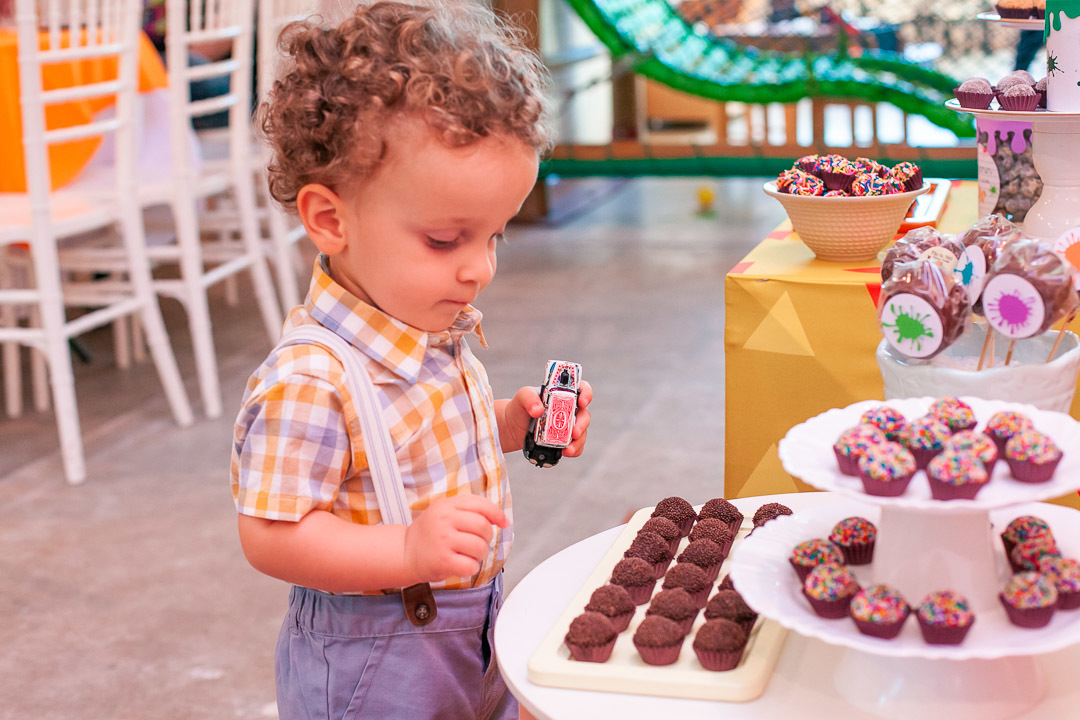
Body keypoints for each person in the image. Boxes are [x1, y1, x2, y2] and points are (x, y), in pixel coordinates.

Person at [230, 2, 592, 718]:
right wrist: (404, 553)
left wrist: (510, 427)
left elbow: (409, 443)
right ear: (330, 220)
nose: (478, 270)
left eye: (494, 236)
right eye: (445, 239)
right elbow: (271, 533)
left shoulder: (423, 327)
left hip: (470, 628)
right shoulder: (309, 378)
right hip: (376, 662)